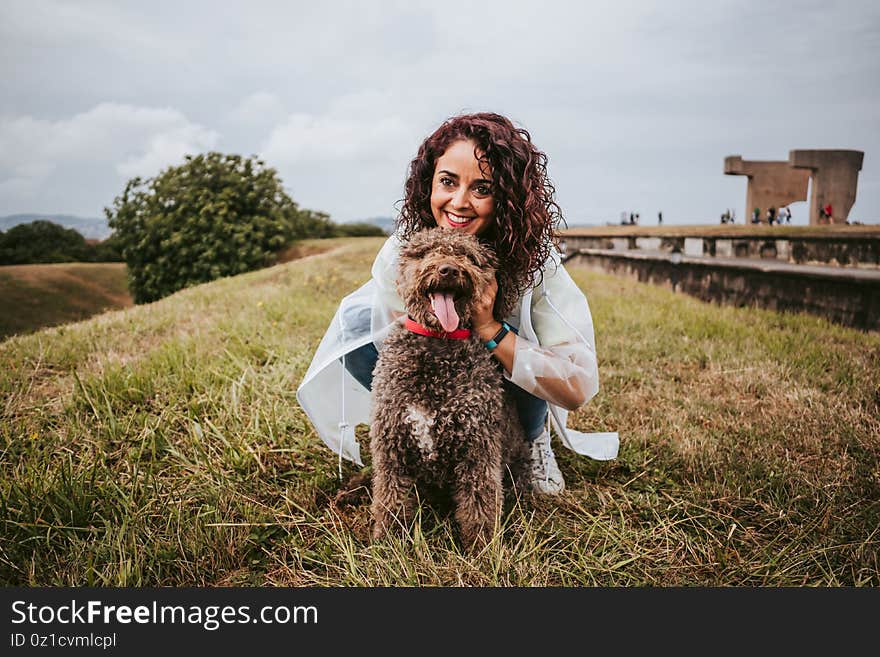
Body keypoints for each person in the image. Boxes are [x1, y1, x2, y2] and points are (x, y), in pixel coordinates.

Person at [296, 112, 618, 496]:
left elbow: (577, 386)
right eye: (448, 182)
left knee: (511, 336)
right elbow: (404, 353)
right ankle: (420, 434)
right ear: (428, 182)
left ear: (507, 198)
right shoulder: (402, 250)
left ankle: (531, 442)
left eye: (482, 189)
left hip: (502, 378)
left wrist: (488, 328)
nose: (459, 203)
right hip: (437, 373)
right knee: (359, 324)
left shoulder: (536, 262)